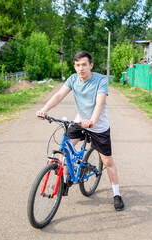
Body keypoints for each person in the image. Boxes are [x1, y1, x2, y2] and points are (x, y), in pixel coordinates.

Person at [36, 51, 124, 211]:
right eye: (77, 65)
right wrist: (44, 110)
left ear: (91, 65)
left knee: (108, 162)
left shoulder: (101, 80)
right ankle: (65, 181)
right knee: (65, 150)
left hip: (98, 125)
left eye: (84, 64)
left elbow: (99, 103)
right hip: (79, 121)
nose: (80, 68)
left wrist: (92, 121)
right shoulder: (73, 79)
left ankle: (116, 194)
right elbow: (59, 95)